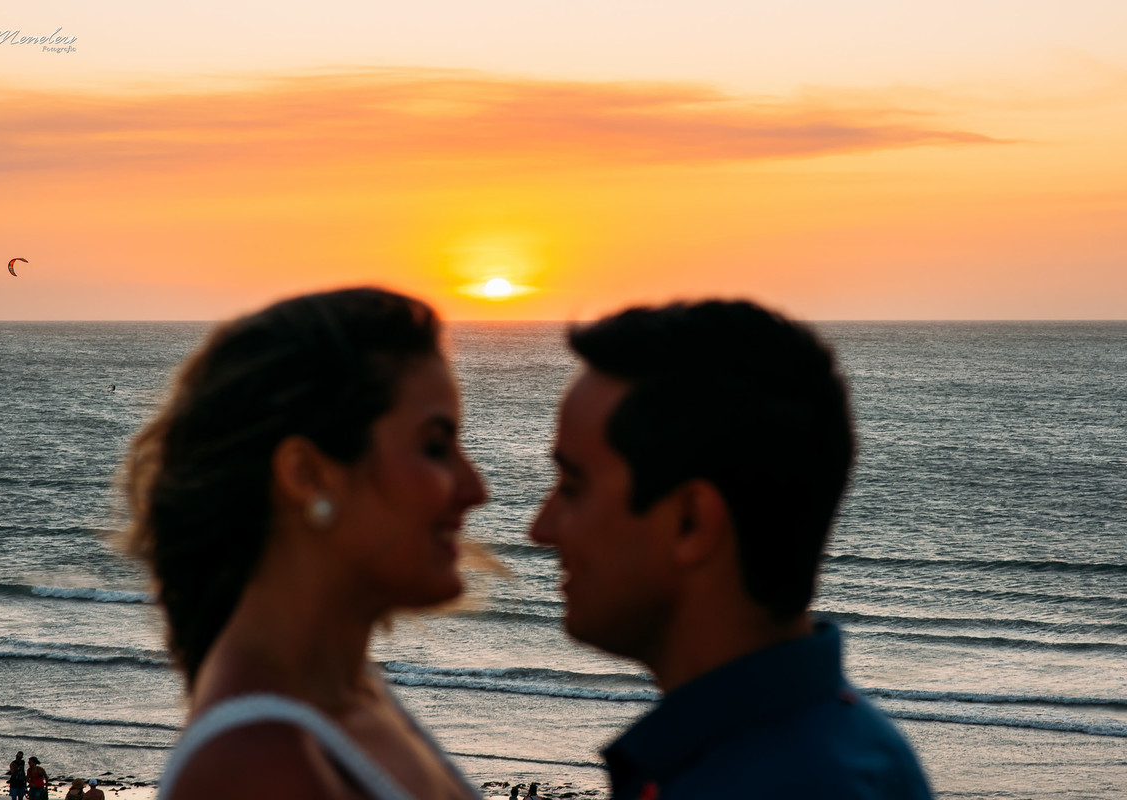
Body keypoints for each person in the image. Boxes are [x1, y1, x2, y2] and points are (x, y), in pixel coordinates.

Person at [529, 300, 933, 799]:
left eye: (572, 487)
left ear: (690, 523)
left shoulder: (786, 785)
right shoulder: (834, 750)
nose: (541, 529)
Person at [125, 288, 487, 800]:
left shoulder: (349, 694)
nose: (476, 489)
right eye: (434, 447)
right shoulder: (255, 768)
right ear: (308, 476)